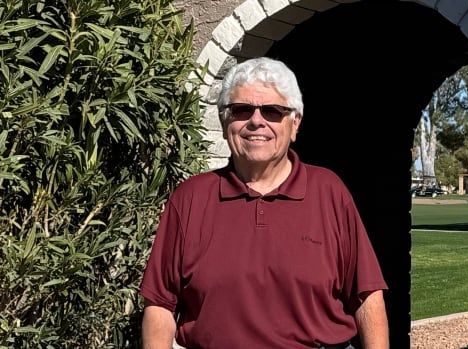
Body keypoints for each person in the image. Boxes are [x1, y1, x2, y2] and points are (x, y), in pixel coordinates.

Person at [139, 57, 389, 349]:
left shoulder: (329, 192)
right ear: (224, 122)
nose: (256, 121)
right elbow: (159, 304)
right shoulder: (190, 198)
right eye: (241, 110)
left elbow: (367, 297)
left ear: (294, 123)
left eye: (272, 111)